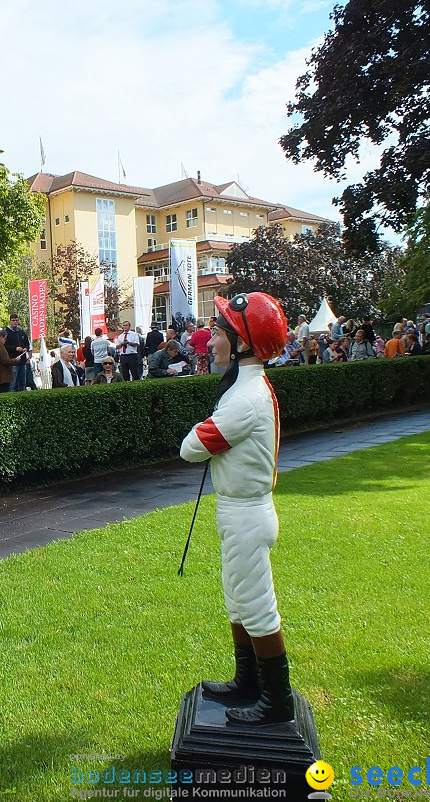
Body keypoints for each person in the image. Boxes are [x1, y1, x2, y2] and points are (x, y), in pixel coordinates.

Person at [180, 291, 293, 726]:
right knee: (238, 599)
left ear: (243, 343)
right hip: (236, 510)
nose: (209, 340)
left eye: (220, 332)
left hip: (246, 512)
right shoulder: (242, 388)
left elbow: (191, 448)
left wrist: (200, 432)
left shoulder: (245, 398)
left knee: (256, 604)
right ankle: (248, 682)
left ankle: (276, 700)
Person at [4, 314, 30, 391]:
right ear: (10, 321)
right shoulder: (6, 333)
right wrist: (15, 348)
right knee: (12, 383)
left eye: (16, 320)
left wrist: (26, 348)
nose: (15, 322)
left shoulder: (21, 332)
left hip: (22, 361)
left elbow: (27, 343)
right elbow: (5, 346)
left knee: (22, 383)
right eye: (13, 320)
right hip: (13, 361)